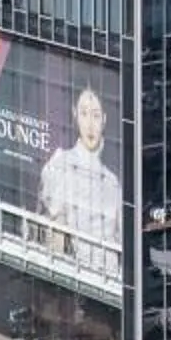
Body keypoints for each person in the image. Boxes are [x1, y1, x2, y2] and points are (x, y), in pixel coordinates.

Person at [38, 87, 123, 269]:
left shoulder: (112, 181)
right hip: (79, 274)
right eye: (84, 114)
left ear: (104, 120)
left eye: (96, 115)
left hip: (113, 278)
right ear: (75, 115)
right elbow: (55, 231)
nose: (90, 125)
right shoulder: (61, 163)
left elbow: (123, 240)